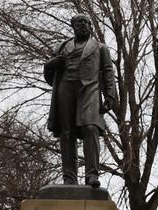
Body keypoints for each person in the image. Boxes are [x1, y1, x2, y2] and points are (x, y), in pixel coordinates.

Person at [44, 13, 117, 188]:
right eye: (78, 22)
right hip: (65, 90)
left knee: (90, 128)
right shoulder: (62, 47)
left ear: (91, 26)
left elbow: (108, 72)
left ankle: (92, 175)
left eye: (85, 22)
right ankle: (70, 178)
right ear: (73, 26)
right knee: (66, 132)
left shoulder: (100, 48)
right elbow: (50, 76)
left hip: (89, 90)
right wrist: (51, 64)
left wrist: (110, 95)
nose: (82, 25)